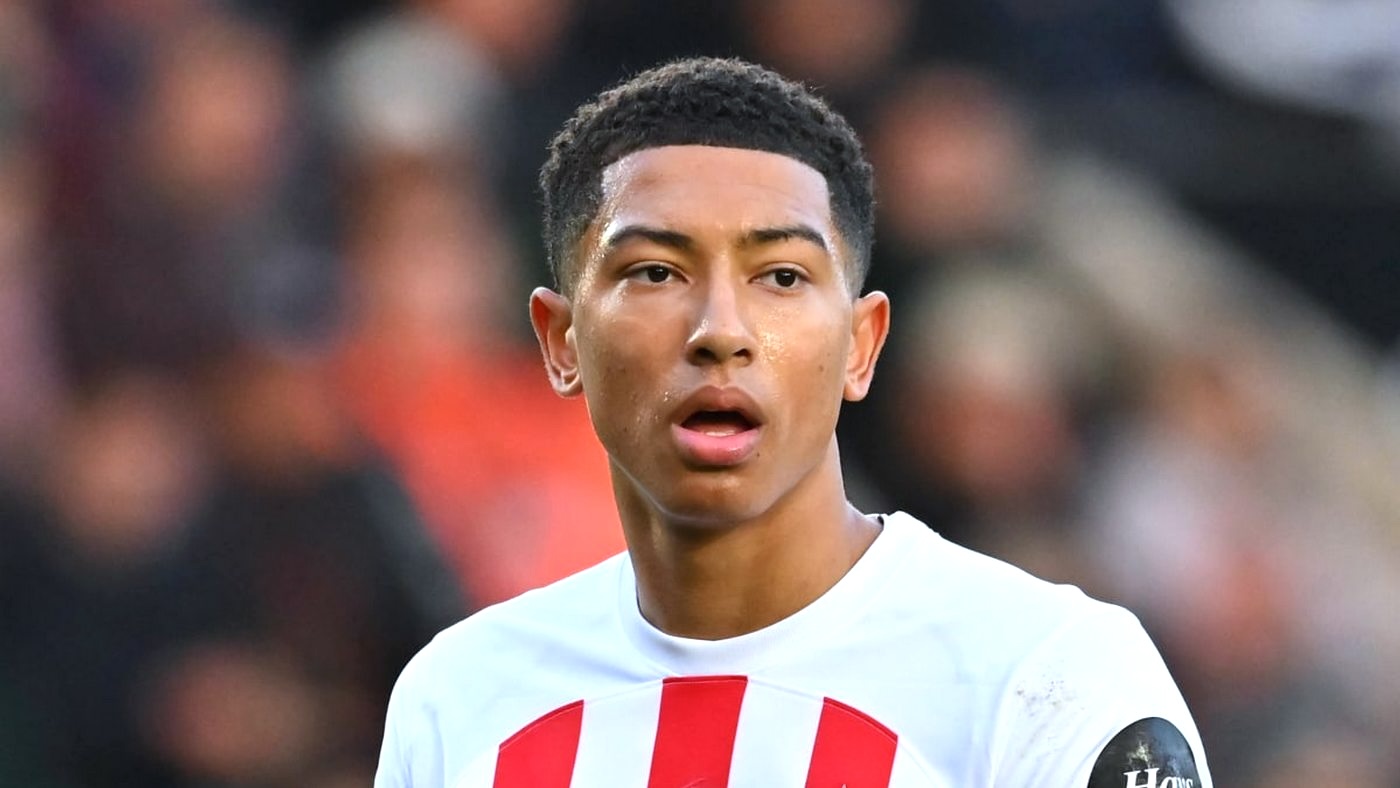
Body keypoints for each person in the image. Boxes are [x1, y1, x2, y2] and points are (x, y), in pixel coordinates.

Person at [375, 57, 1212, 787]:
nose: (720, 331)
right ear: (561, 344)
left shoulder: (1050, 679)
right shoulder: (458, 697)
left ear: (860, 345)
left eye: (780, 276)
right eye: (657, 272)